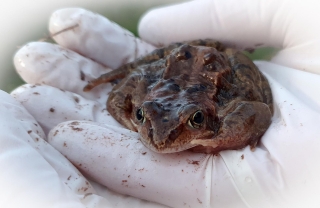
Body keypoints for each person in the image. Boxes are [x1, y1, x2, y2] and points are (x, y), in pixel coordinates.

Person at [1, 0, 320, 207]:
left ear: (204, 118)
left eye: (194, 122)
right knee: (150, 69)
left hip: (217, 78)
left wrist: (220, 139)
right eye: (143, 116)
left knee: (234, 67)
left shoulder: (221, 108)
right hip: (173, 76)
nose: (158, 139)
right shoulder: (145, 93)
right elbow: (119, 98)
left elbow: (258, 109)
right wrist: (134, 116)